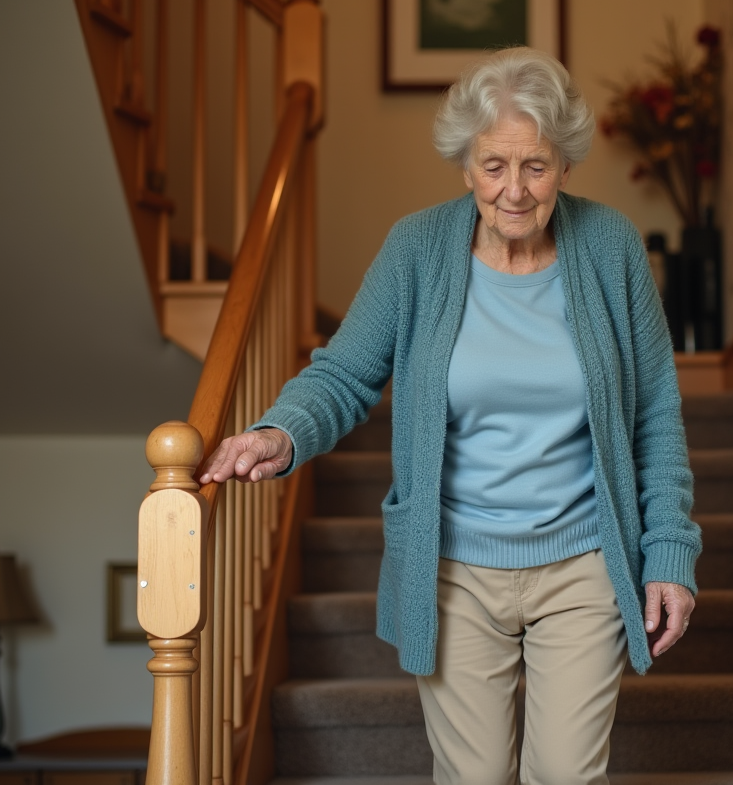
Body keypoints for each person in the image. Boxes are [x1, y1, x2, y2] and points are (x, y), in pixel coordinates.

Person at [200, 46, 700, 785]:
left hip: (585, 561)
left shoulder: (610, 247)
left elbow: (656, 411)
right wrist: (281, 431)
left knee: (566, 775)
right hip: (455, 568)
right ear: (465, 164)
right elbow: (344, 373)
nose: (515, 191)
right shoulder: (417, 249)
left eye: (535, 166)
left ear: (565, 166)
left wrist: (670, 554)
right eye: (494, 166)